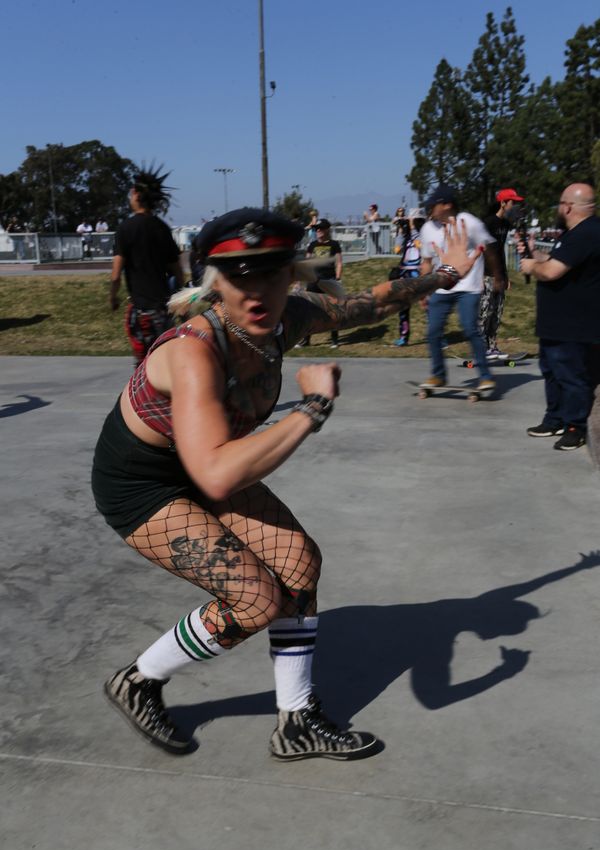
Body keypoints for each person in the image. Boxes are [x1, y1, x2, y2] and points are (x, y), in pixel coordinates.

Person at [92, 207, 479, 761]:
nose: (256, 292)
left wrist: (444, 274)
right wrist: (313, 407)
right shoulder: (194, 351)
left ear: (291, 276)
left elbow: (369, 304)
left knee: (299, 566)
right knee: (253, 601)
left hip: (205, 461)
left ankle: (296, 721)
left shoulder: (285, 319)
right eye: (238, 277)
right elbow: (217, 474)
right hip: (143, 483)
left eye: (271, 274)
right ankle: (138, 680)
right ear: (215, 282)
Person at [519, 183, 600, 451]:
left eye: (561, 203)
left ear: (568, 207)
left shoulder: (586, 233)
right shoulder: (575, 234)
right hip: (557, 322)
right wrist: (536, 254)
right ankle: (554, 419)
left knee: (571, 376)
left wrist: (531, 265)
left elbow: (551, 271)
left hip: (573, 324)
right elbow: (560, 260)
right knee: (552, 372)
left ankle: (575, 427)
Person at [419, 184, 502, 391]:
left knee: (469, 329)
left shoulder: (469, 222)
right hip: (441, 288)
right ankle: (438, 375)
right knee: (433, 332)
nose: (430, 209)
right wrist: (422, 290)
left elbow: (490, 249)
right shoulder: (427, 229)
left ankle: (485, 376)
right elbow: (426, 262)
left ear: (447, 205)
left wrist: (498, 277)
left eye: (434, 205)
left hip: (469, 287)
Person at [109, 166, 184, 366]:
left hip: (141, 311)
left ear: (136, 195)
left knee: (144, 365)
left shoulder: (125, 228)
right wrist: (180, 301)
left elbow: (115, 275)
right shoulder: (162, 228)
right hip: (163, 310)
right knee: (165, 361)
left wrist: (113, 298)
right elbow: (178, 272)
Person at [480, 188, 524, 360]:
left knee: (497, 312)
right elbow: (481, 251)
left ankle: (492, 347)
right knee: (485, 312)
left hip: (499, 276)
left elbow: (500, 252)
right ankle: (479, 348)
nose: (515, 206)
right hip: (486, 275)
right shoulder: (488, 223)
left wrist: (505, 276)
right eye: (513, 202)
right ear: (503, 203)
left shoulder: (505, 224)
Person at [302, 219, 343, 348]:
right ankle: (305, 339)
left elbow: (339, 262)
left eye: (320, 228)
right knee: (309, 310)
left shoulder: (334, 244)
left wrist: (338, 278)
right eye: (316, 229)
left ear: (327, 229)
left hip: (329, 280)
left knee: (333, 309)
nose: (318, 231)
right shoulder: (312, 245)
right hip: (314, 281)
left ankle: (334, 339)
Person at [388, 208, 426, 347]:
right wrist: (401, 232)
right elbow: (397, 250)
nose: (411, 224)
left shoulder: (425, 233)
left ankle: (437, 336)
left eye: (413, 221)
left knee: (427, 305)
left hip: (419, 272)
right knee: (403, 306)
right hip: (404, 273)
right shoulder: (406, 234)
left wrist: (413, 228)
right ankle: (404, 337)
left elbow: (420, 246)